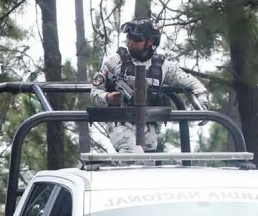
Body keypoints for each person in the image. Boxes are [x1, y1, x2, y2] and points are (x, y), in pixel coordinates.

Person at [90, 18, 210, 153]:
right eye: (129, 37)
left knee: (148, 162)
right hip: (120, 122)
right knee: (131, 154)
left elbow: (192, 83)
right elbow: (94, 91)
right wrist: (108, 97)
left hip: (149, 125)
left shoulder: (162, 66)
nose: (131, 42)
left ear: (151, 41)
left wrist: (202, 104)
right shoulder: (114, 61)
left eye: (137, 39)